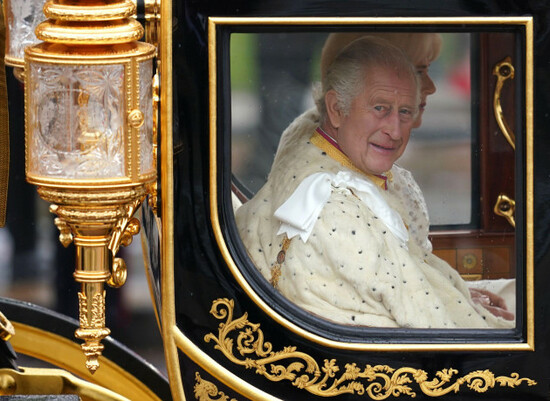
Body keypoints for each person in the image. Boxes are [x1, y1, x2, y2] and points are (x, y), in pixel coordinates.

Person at [236, 35, 513, 328]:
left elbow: (406, 275)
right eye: (380, 108)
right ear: (335, 108)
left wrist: (458, 294)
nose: (394, 131)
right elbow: (433, 328)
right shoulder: (341, 213)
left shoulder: (314, 141)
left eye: (405, 111)